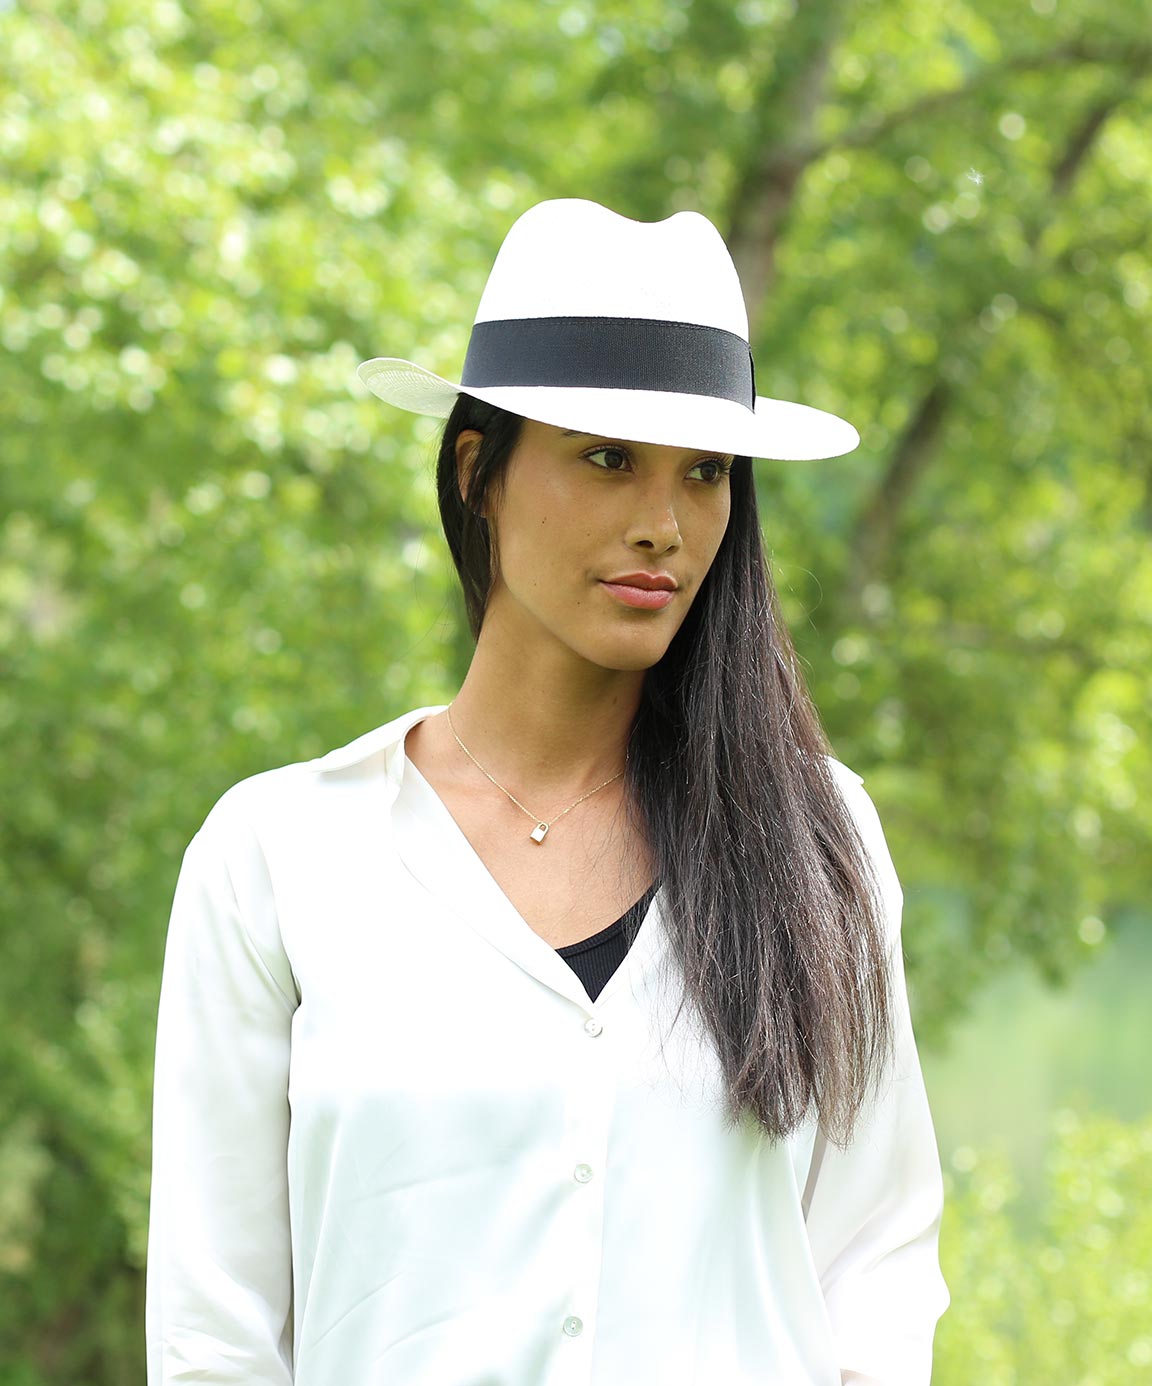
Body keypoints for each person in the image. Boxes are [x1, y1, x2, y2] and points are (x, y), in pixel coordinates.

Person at [144, 196, 950, 1385]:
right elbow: (214, 1336)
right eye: (606, 458)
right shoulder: (280, 856)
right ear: (480, 470)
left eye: (706, 473)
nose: (663, 525)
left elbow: (875, 1262)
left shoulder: (816, 839)